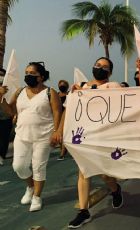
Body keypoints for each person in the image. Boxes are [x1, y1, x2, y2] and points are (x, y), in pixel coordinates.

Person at [64, 57, 124, 229]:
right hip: (85, 135)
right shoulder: (81, 88)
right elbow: (70, 109)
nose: (100, 68)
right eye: (98, 65)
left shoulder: (114, 87)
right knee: (84, 171)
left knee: (104, 174)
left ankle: (115, 189)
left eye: (104, 67)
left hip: (105, 136)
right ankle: (84, 211)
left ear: (110, 72)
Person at [0, 62, 62, 211]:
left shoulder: (50, 92)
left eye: (32, 73)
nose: (28, 75)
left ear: (41, 77)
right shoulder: (20, 91)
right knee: (18, 166)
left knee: (38, 167)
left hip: (43, 136)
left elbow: (57, 112)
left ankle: (37, 197)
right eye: (26, 72)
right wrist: (1, 96)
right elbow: (10, 111)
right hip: (21, 135)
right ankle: (31, 187)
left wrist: (57, 131)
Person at [0, 68, 14, 165]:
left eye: (2, 75)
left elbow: (10, 108)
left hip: (6, 118)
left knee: (4, 139)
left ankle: (1, 156)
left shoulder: (9, 88)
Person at [57, 80, 69, 161]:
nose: (62, 86)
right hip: (58, 116)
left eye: (64, 85)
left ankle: (62, 153)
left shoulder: (69, 94)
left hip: (67, 116)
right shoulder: (56, 95)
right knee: (59, 135)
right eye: (60, 85)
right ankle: (62, 149)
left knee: (64, 135)